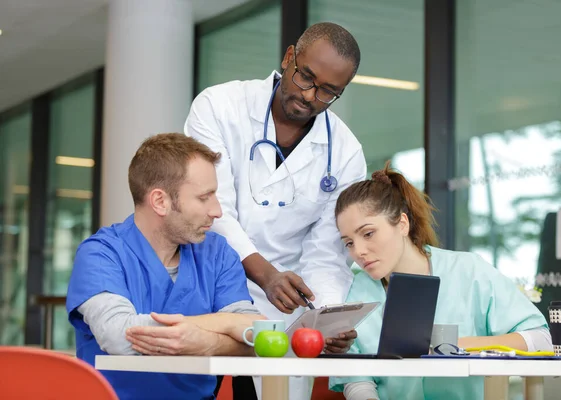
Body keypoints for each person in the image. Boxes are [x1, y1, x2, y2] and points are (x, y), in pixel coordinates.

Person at [184, 22, 366, 399]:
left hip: (285, 309)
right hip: (209, 290)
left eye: (328, 92)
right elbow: (211, 209)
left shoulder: (346, 152)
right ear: (288, 58)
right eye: (305, 78)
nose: (309, 96)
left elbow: (326, 253)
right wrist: (265, 274)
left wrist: (328, 318)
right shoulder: (219, 107)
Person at [329, 161, 553, 400]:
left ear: (402, 224)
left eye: (368, 233)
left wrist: (454, 346)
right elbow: (356, 378)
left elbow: (540, 339)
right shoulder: (355, 290)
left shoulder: (469, 271)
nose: (359, 251)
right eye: (349, 243)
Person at [66, 133, 265, 400]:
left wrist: (206, 340)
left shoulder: (217, 253)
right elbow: (120, 337)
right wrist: (228, 326)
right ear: (160, 201)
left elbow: (258, 335)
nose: (217, 211)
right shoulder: (101, 254)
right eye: (205, 197)